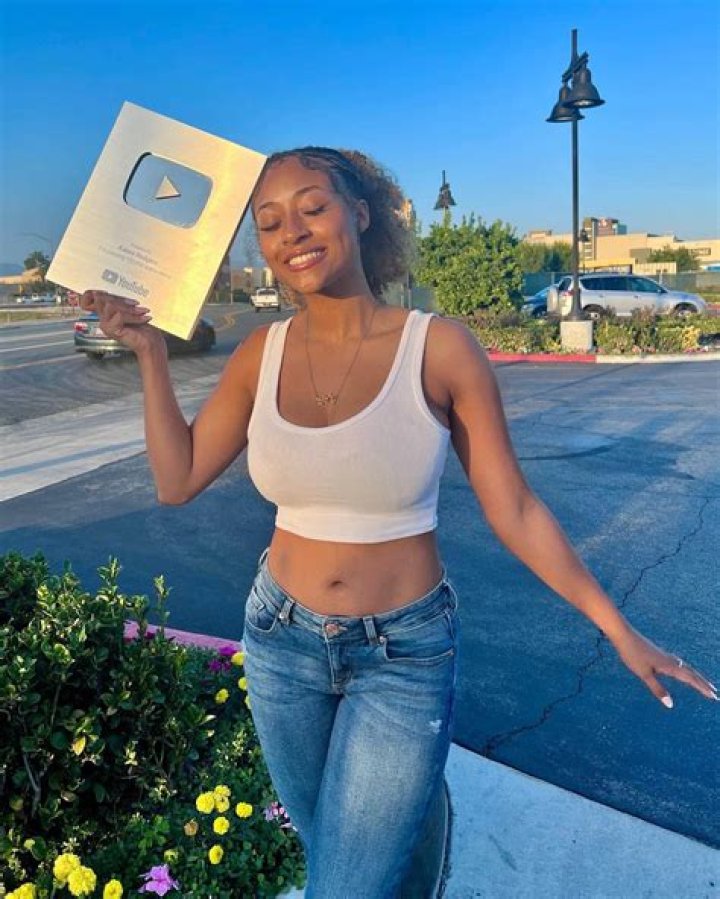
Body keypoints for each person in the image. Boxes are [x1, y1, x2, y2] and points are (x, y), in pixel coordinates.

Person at [80, 146, 717, 899]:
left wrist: (618, 628)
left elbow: (513, 507)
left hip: (403, 655)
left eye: (313, 208)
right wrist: (150, 353)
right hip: (281, 641)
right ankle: (420, 824)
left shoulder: (438, 347)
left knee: (345, 885)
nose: (292, 233)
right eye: (270, 223)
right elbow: (177, 478)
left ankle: (416, 811)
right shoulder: (259, 353)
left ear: (359, 213)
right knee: (336, 852)